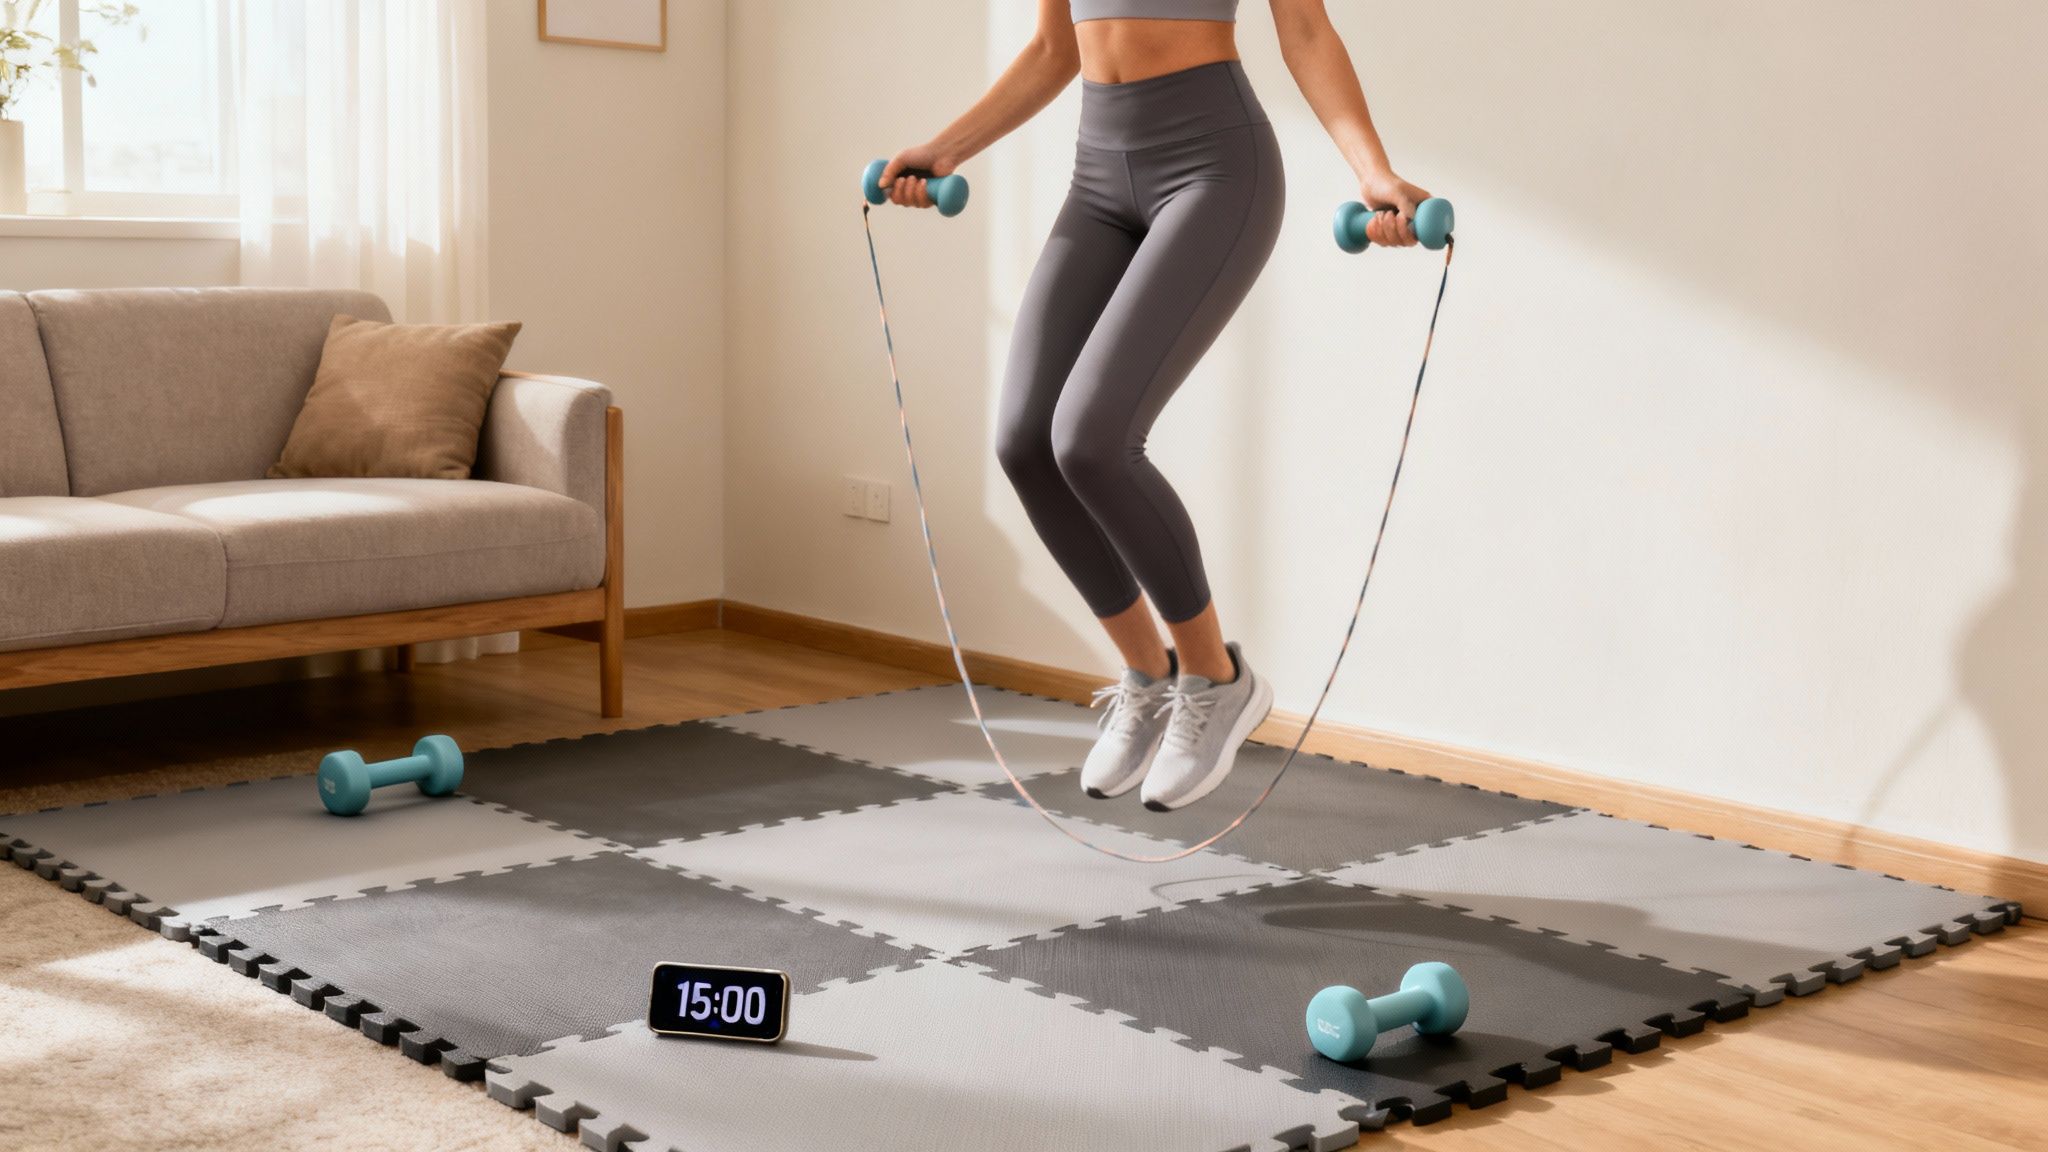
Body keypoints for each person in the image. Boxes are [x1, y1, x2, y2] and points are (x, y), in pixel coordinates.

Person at [878, 0, 1428, 810]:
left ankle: (1216, 679)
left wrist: (1372, 172)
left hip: (1214, 168)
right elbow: (1051, 48)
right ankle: (1148, 673)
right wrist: (945, 149)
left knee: (1092, 440)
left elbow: (1305, 30)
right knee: (1027, 442)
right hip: (1100, 171)